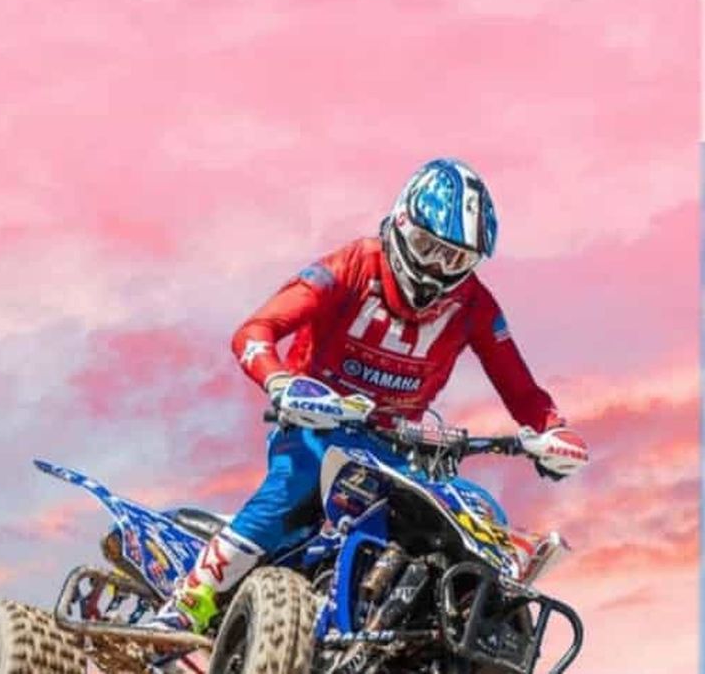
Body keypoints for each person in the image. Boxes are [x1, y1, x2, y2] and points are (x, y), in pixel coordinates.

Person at [152, 158, 589, 633]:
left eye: (456, 259)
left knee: (473, 508)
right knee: (296, 484)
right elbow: (255, 330)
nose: (437, 269)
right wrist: (281, 382)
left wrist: (553, 431)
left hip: (398, 451)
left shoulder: (475, 305)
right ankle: (186, 604)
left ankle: (461, 624)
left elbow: (522, 391)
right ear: (401, 224)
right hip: (316, 429)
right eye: (427, 247)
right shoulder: (352, 265)